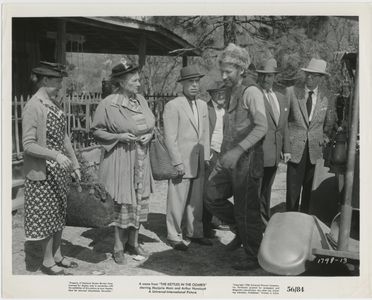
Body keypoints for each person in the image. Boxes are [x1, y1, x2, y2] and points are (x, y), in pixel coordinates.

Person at [205, 43, 268, 270]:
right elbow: (230, 127)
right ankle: (241, 230)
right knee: (211, 196)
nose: (223, 76)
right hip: (229, 157)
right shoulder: (231, 89)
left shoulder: (251, 91)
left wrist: (238, 151)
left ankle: (253, 255)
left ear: (241, 69)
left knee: (246, 209)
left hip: (248, 159)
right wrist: (223, 156)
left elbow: (262, 128)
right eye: (222, 70)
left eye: (228, 71)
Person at [91, 60, 155, 264]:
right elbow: (96, 130)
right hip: (121, 158)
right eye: (135, 80)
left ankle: (133, 243)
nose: (139, 84)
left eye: (139, 80)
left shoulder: (141, 101)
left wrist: (150, 135)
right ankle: (118, 246)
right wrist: (118, 137)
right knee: (123, 202)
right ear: (122, 81)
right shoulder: (108, 103)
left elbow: (150, 125)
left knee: (139, 200)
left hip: (142, 158)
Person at [22, 61, 81, 275]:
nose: (60, 86)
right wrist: (55, 155)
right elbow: (28, 145)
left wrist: (73, 163)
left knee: (58, 215)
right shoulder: (33, 106)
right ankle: (47, 261)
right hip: (42, 171)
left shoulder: (53, 105)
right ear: (45, 80)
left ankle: (57, 254)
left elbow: (64, 138)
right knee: (46, 217)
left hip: (58, 170)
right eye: (57, 82)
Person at [163, 65, 211, 251]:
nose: (194, 85)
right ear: (182, 84)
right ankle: (173, 235)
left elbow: (205, 133)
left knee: (196, 201)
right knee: (177, 200)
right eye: (190, 82)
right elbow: (170, 137)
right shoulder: (173, 106)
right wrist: (176, 162)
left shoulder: (202, 105)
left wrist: (206, 157)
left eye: (197, 82)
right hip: (181, 161)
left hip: (198, 160)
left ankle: (194, 232)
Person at [286, 58, 335, 213]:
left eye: (314, 75)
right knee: (293, 189)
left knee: (309, 190)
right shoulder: (292, 92)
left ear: (320, 78)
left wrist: (324, 139)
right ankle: (290, 219)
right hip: (295, 148)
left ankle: (304, 221)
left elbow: (329, 123)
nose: (309, 78)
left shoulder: (327, 97)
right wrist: (286, 146)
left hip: (314, 149)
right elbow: (285, 122)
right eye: (308, 74)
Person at [256, 58, 291, 224]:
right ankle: (252, 223)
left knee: (266, 190)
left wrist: (287, 149)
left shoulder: (281, 97)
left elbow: (283, 126)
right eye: (263, 76)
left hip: (275, 154)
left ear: (274, 77)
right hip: (258, 152)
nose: (266, 79)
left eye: (269, 76)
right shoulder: (254, 96)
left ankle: (263, 219)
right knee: (255, 190)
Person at [203, 83, 230, 238]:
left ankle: (217, 220)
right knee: (208, 190)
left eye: (223, 92)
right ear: (211, 94)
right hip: (211, 153)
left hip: (224, 154)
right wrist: (208, 153)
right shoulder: (206, 109)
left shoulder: (227, 110)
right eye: (218, 93)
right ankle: (206, 227)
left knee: (221, 189)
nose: (221, 96)